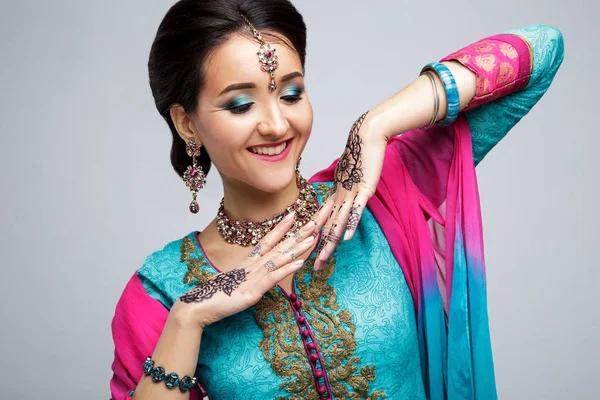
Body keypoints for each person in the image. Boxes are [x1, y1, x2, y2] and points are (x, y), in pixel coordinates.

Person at [109, 0, 564, 398]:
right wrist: (189, 319)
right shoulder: (164, 291)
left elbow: (542, 49)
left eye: (291, 93)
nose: (276, 124)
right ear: (187, 124)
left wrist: (376, 124)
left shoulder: (380, 196)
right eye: (241, 105)